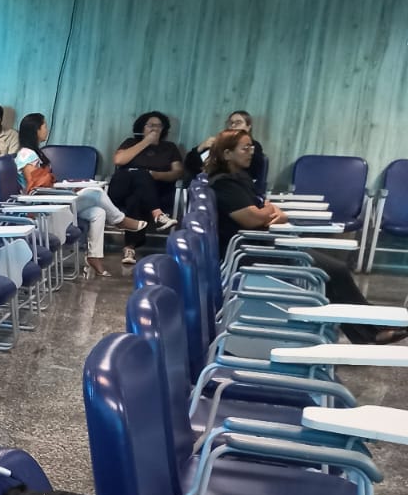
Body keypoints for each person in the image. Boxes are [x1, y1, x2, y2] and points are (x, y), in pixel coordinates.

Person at [205, 130, 406, 346]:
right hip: (250, 252)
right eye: (245, 148)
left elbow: (269, 209)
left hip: (264, 244)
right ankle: (370, 332)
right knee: (332, 271)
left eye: (251, 148)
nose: (251, 152)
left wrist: (271, 213)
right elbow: (253, 218)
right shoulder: (224, 184)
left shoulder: (240, 179)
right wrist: (268, 213)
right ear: (227, 154)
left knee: (335, 270)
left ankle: (370, 330)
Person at [16, 113, 147, 277]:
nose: (46, 130)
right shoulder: (25, 154)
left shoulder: (36, 153)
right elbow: (35, 188)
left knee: (98, 213)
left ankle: (94, 257)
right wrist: (63, 190)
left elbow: (44, 182)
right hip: (42, 210)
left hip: (54, 202)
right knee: (96, 193)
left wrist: (67, 189)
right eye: (44, 126)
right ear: (36, 129)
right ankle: (120, 220)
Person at [109, 110, 184, 262]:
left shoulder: (169, 148)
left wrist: (157, 175)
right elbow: (119, 160)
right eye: (150, 125)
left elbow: (177, 172)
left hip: (154, 192)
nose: (154, 129)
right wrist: (146, 142)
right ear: (142, 128)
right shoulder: (130, 142)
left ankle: (129, 248)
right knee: (139, 173)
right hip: (120, 189)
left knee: (135, 199)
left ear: (164, 129)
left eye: (158, 126)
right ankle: (158, 215)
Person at [186, 110, 264, 182]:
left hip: (236, 183)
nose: (233, 125)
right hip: (211, 182)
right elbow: (190, 165)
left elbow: (255, 172)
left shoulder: (254, 146)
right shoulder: (219, 142)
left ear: (248, 127)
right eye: (231, 123)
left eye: (238, 122)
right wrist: (200, 148)